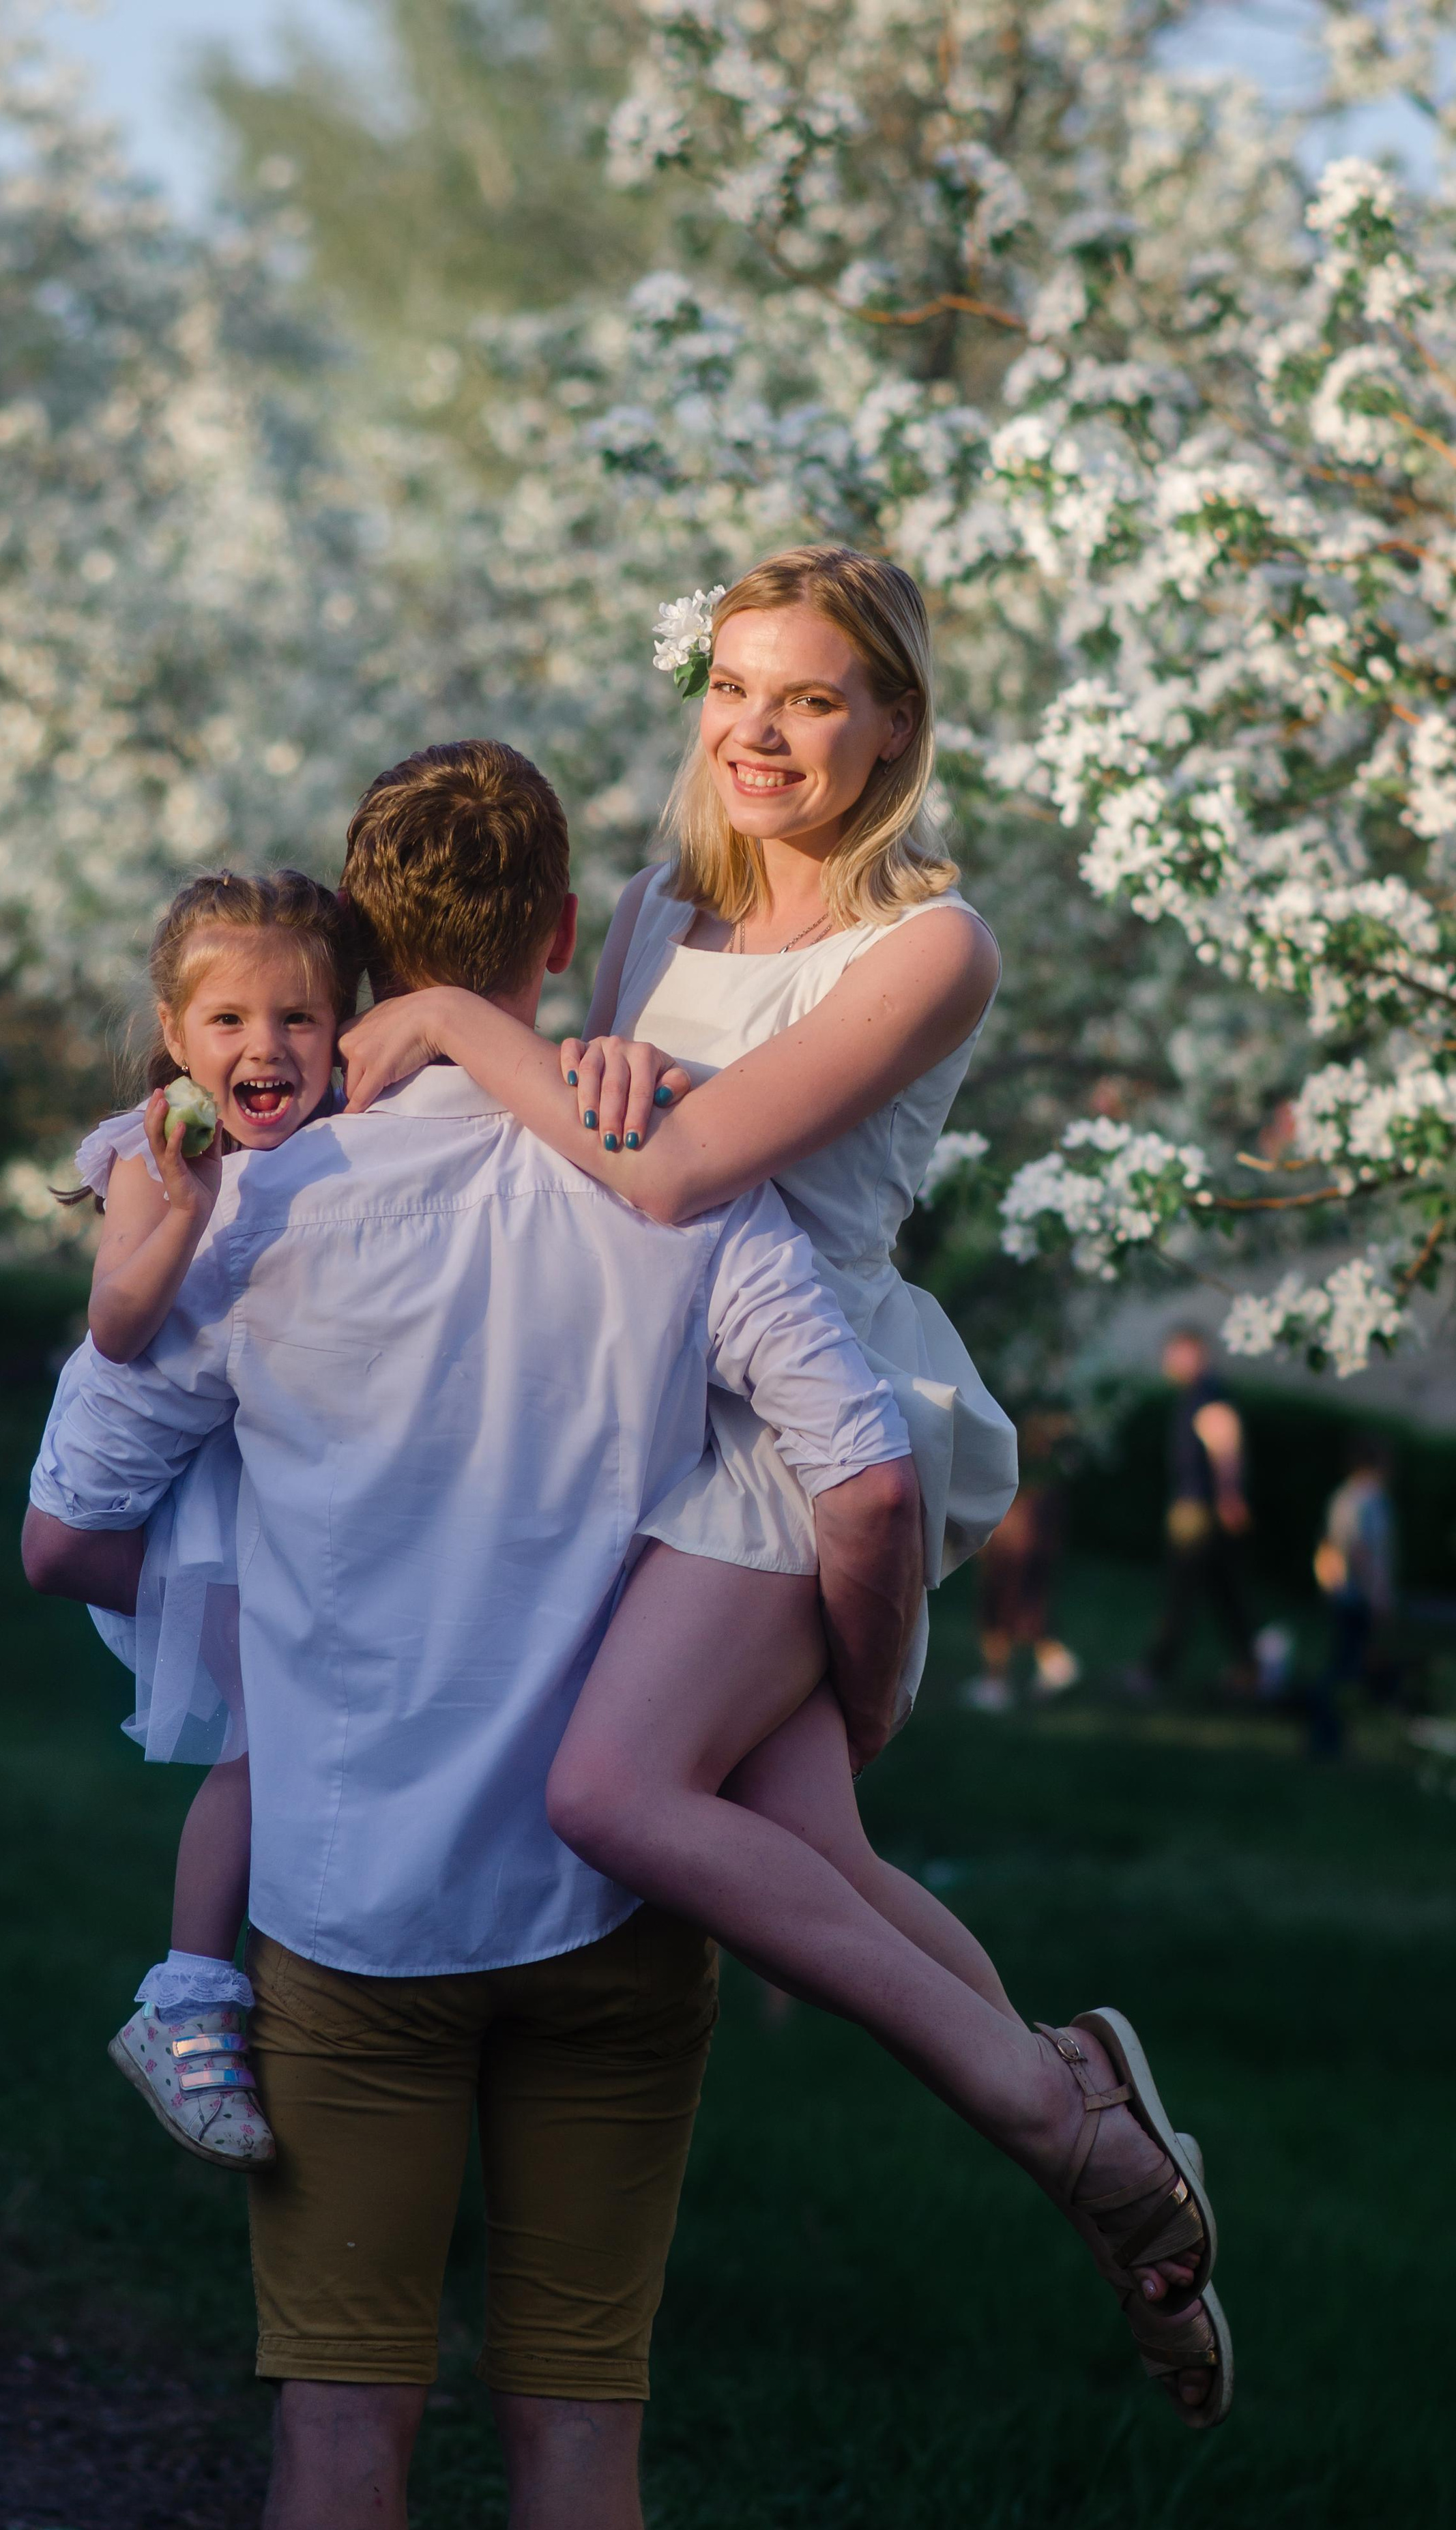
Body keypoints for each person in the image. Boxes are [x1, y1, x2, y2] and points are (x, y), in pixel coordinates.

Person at [23, 737, 926, 2530]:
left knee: (345, 2436)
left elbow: (65, 1530)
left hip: (352, 1906)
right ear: (570, 937)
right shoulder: (679, 1190)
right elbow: (865, 1475)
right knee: (582, 2430)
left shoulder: (258, 1202)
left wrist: (268, 1610)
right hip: (615, 1899)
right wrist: (852, 1709)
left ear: (357, 950)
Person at [340, 552, 1230, 2426]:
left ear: (891, 724)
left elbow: (682, 1173)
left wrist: (442, 1019)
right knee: (820, 1860)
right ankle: (1094, 2124)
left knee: (614, 1789)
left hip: (810, 1402)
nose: (761, 731)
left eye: (813, 697)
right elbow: (600, 1130)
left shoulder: (930, 945)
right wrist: (574, 1047)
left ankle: (1053, 2130)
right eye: (736, 688)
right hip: (666, 1396)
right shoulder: (654, 910)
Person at [56, 867, 358, 2173]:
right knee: (266, 1738)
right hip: (154, 1487)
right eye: (229, 1021)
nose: (267, 1047)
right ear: (177, 1039)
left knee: (272, 1736)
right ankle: (185, 2003)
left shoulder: (353, 1142)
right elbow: (120, 1327)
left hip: (250, 1478)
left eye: (300, 1019)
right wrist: (184, 1212)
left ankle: (225, 1992)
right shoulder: (152, 1155)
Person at [1133, 1328, 1258, 1696]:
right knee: (1225, 1592)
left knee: (1181, 1594)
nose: (1167, 1362)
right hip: (1201, 1508)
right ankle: (1248, 1668)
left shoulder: (1207, 1393)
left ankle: (1156, 1670)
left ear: (1193, 1353)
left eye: (1173, 1353)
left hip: (1198, 1511)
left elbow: (1225, 1443)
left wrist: (1229, 1496)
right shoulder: (1199, 1393)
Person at [965, 1413, 1077, 1711]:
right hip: (1035, 1522)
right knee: (1025, 1600)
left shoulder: (1019, 1431)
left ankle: (996, 1682)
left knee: (1001, 1599)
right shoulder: (1050, 1467)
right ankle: (1053, 1663)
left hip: (1015, 1522)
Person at [1308, 1436, 1397, 1759]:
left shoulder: (1342, 1497)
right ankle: (1328, 1736)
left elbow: (1329, 1545)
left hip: (1342, 1594)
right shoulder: (1371, 1501)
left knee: (1339, 1663)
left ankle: (1328, 1733)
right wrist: (1377, 1597)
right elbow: (1364, 1552)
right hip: (1360, 1597)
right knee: (1346, 1669)